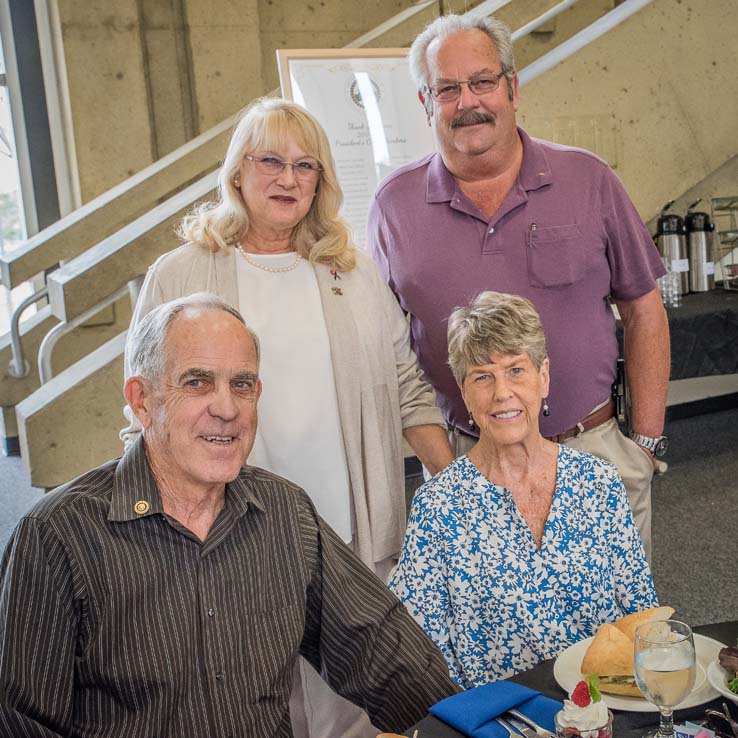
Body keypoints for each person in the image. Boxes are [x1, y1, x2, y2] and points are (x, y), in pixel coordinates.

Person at [121, 97, 453, 737]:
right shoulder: (180, 273)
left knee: (350, 710)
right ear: (238, 172)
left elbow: (406, 388)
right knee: (246, 702)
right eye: (270, 160)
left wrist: (460, 486)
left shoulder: (352, 275)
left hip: (345, 528)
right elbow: (142, 406)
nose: (288, 178)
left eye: (306, 166)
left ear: (322, 181)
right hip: (227, 535)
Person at [0, 294, 458, 737]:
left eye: (242, 384)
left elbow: (379, 646)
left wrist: (467, 726)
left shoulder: (285, 512)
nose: (227, 408)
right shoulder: (55, 537)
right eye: (197, 382)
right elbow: (18, 721)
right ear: (142, 400)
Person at [366, 14, 670, 561]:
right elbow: (390, 354)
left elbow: (644, 307)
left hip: (595, 451)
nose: (467, 102)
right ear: (425, 102)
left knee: (620, 639)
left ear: (511, 85)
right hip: (474, 462)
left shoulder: (588, 179)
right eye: (448, 89)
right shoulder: (394, 207)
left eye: (482, 81)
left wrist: (643, 446)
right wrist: (451, 472)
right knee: (492, 641)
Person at [388, 291, 658, 688]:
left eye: (516, 370)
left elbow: (640, 618)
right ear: (463, 391)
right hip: (500, 722)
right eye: (483, 376)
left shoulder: (598, 482)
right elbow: (425, 655)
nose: (502, 393)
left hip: (605, 709)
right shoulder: (437, 506)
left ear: (543, 376)